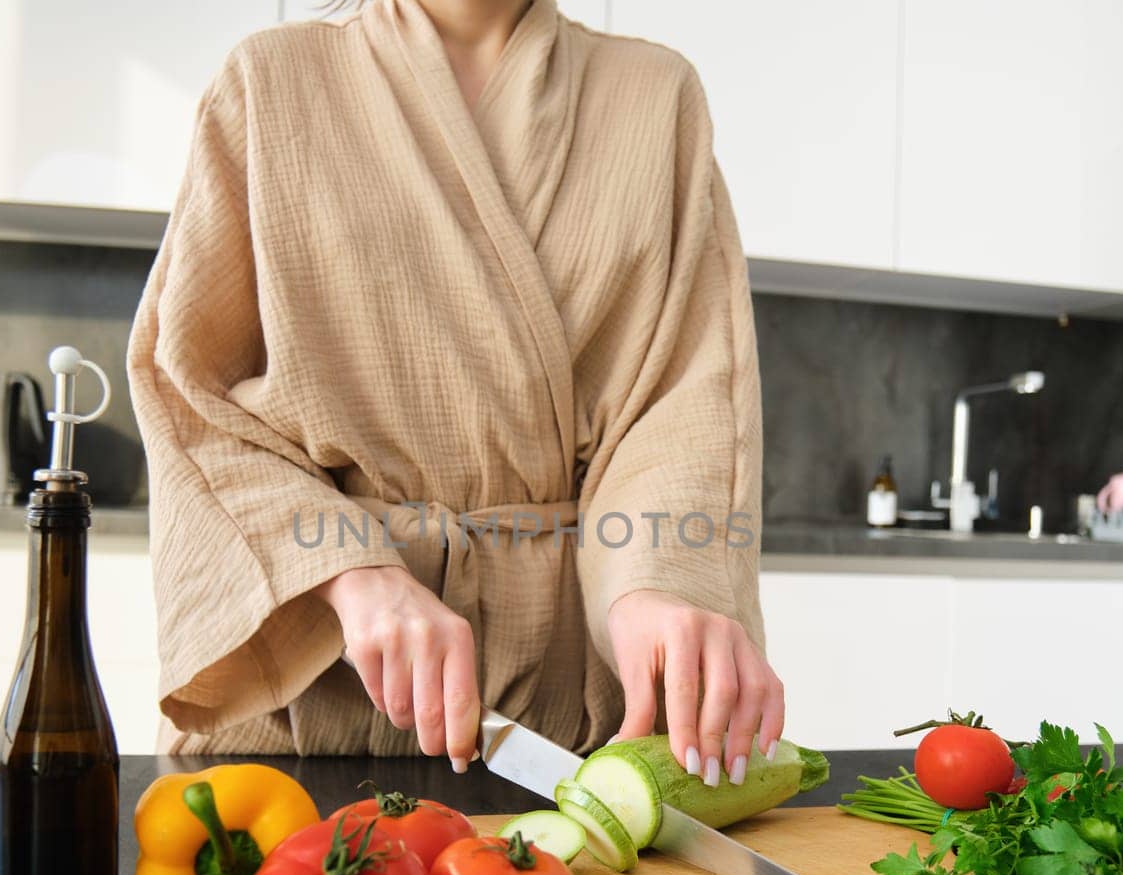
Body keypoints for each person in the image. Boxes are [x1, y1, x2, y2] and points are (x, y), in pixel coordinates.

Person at [127, 0, 785, 789]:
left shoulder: (656, 96)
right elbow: (192, 399)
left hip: (563, 734)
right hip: (307, 719)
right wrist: (351, 573)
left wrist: (654, 584)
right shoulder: (270, 81)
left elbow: (684, 404)